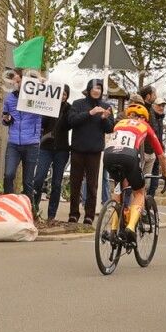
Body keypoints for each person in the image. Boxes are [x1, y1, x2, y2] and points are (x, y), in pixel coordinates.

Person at [102, 102, 164, 241]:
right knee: (139, 192)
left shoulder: (119, 123)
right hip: (128, 157)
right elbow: (160, 155)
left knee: (119, 189)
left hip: (109, 156)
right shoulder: (144, 125)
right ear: (144, 118)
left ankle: (113, 229)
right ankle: (130, 227)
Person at [66, 78, 114, 225]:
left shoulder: (106, 106)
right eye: (94, 88)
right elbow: (71, 121)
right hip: (78, 149)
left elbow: (110, 128)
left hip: (94, 151)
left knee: (92, 185)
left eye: (99, 88)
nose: (96, 90)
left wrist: (104, 118)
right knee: (75, 183)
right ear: (89, 89)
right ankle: (74, 214)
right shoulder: (77, 104)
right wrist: (90, 113)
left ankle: (89, 215)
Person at [1, 68, 44, 199]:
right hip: (14, 143)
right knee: (8, 175)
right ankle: (8, 203)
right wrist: (6, 119)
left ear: (25, 81)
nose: (15, 83)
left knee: (27, 181)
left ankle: (27, 207)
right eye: (13, 81)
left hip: (31, 144)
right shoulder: (9, 98)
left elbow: (50, 101)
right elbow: (4, 117)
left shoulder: (37, 96)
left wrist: (42, 84)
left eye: (18, 81)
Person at [35, 92, 74, 222]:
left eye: (65, 94)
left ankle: (51, 215)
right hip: (46, 148)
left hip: (61, 150)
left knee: (56, 183)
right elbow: (42, 123)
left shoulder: (69, 108)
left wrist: (64, 111)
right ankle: (34, 208)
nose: (62, 96)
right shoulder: (48, 105)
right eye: (60, 93)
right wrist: (50, 109)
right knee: (39, 179)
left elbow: (69, 125)